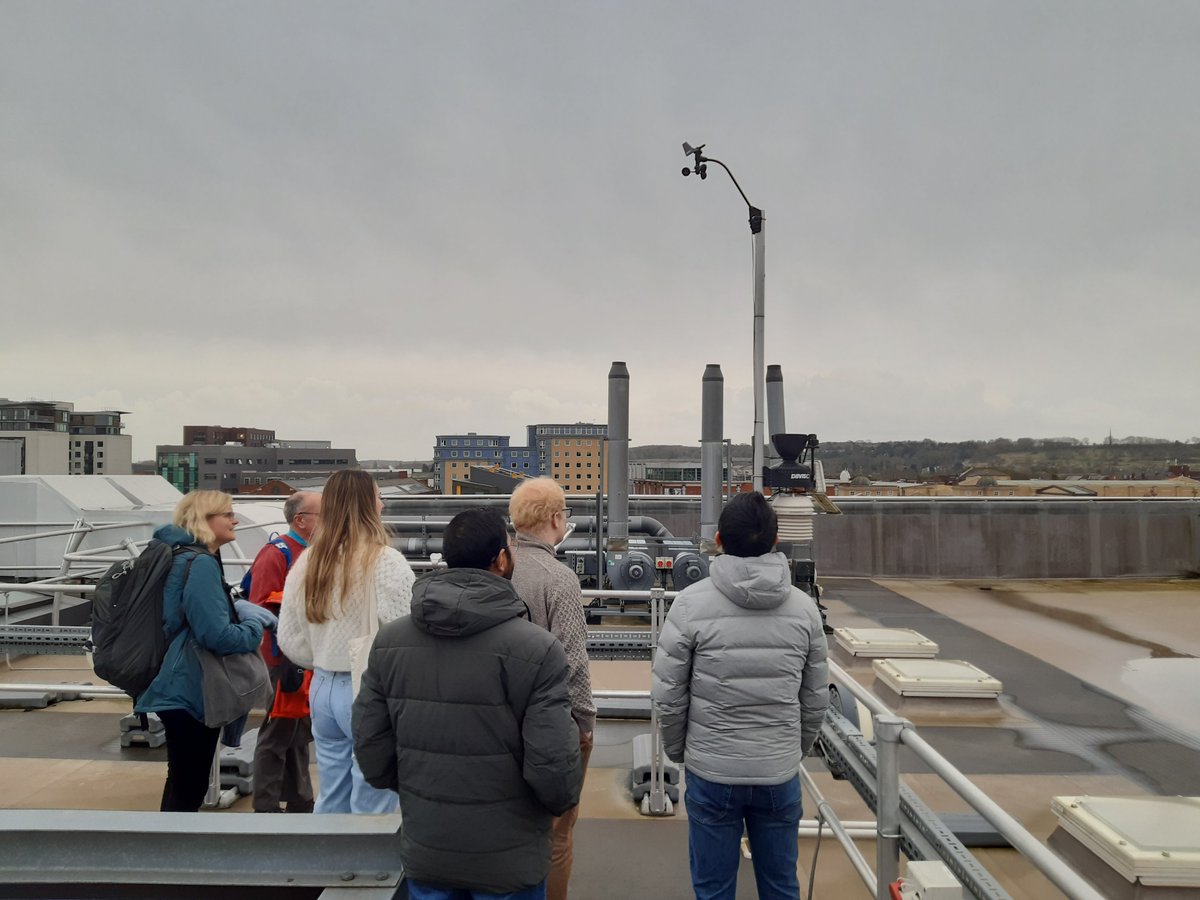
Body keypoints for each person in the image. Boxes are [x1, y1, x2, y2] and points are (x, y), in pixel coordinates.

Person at [353, 508, 582, 900]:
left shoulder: (390, 642)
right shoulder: (537, 650)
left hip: (429, 850)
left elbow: (371, 749)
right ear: (500, 558)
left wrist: (417, 788)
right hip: (509, 860)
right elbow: (554, 770)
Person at [651, 491, 830, 900]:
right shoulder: (803, 610)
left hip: (712, 771)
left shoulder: (690, 606)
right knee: (782, 885)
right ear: (775, 540)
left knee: (713, 889)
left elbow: (668, 696)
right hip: (778, 771)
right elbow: (815, 697)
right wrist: (790, 750)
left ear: (718, 541)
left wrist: (683, 753)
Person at [277, 470, 413, 814]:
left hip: (322, 687)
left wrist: (323, 654)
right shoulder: (385, 562)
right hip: (368, 689)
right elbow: (405, 637)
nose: (382, 503)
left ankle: (325, 862)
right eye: (378, 496)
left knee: (332, 794)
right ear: (368, 505)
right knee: (375, 800)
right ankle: (366, 867)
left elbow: (289, 638)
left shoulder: (308, 561)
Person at [135, 491, 278, 812]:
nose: (234, 520)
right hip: (191, 688)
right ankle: (171, 855)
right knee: (189, 786)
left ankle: (163, 851)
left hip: (174, 682)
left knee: (181, 780)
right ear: (205, 519)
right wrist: (254, 627)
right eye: (227, 514)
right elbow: (218, 636)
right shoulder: (199, 563)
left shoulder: (177, 554)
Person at [508, 478, 595, 900]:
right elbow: (572, 660)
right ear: (557, 519)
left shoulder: (497, 567)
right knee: (558, 833)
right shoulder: (558, 578)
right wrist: (585, 725)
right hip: (551, 722)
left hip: (500, 720)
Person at [247, 490, 321, 814]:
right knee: (278, 731)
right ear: (301, 520)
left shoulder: (308, 552)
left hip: (301, 657)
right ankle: (266, 804)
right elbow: (260, 606)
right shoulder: (277, 553)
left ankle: (300, 798)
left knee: (296, 729)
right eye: (322, 513)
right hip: (282, 659)